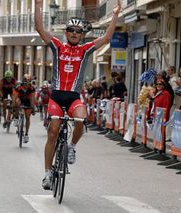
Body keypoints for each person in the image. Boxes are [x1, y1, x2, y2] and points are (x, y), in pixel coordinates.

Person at [35, 0, 122, 190]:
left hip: (74, 97)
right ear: (66, 33)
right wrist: (37, 5)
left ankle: (72, 147)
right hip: (57, 96)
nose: (74, 33)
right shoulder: (57, 46)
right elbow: (40, 28)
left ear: (82, 35)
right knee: (53, 132)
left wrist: (115, 14)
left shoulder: (85, 50)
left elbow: (106, 38)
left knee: (81, 120)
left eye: (78, 31)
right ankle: (48, 174)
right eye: (71, 30)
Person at [12, 74, 36, 143]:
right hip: (20, 99)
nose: (26, 85)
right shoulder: (18, 87)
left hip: (28, 101)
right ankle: (16, 118)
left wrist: (33, 107)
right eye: (25, 83)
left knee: (28, 117)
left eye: (28, 83)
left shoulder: (32, 88)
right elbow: (14, 97)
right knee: (17, 102)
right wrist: (14, 106)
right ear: (23, 82)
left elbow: (32, 98)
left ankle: (26, 134)